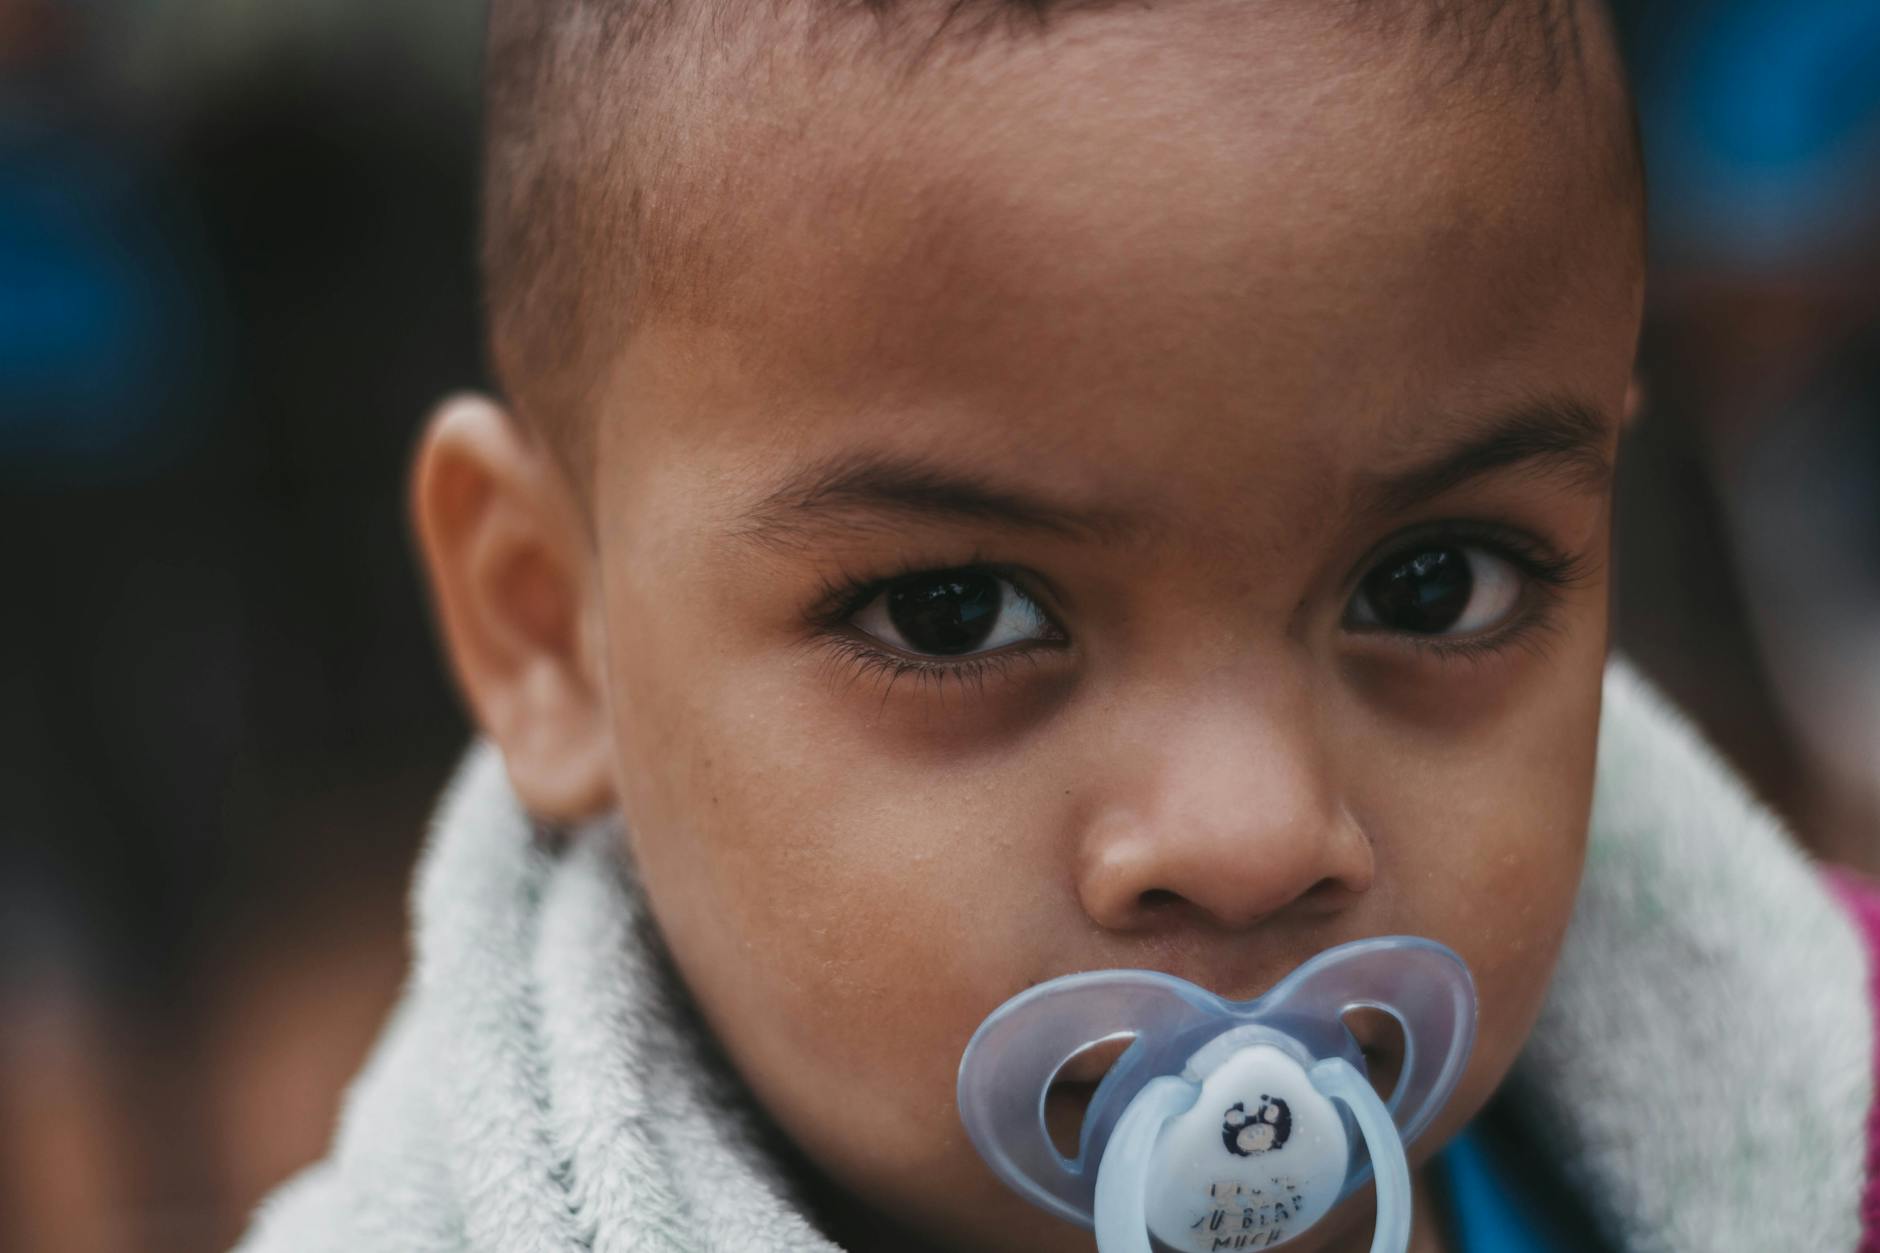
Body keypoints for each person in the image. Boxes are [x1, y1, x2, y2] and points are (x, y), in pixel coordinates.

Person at [232, 1, 1880, 1250]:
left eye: (1435, 582)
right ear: (549, 629)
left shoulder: (1829, 1107)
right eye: (957, 613)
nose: (1252, 836)